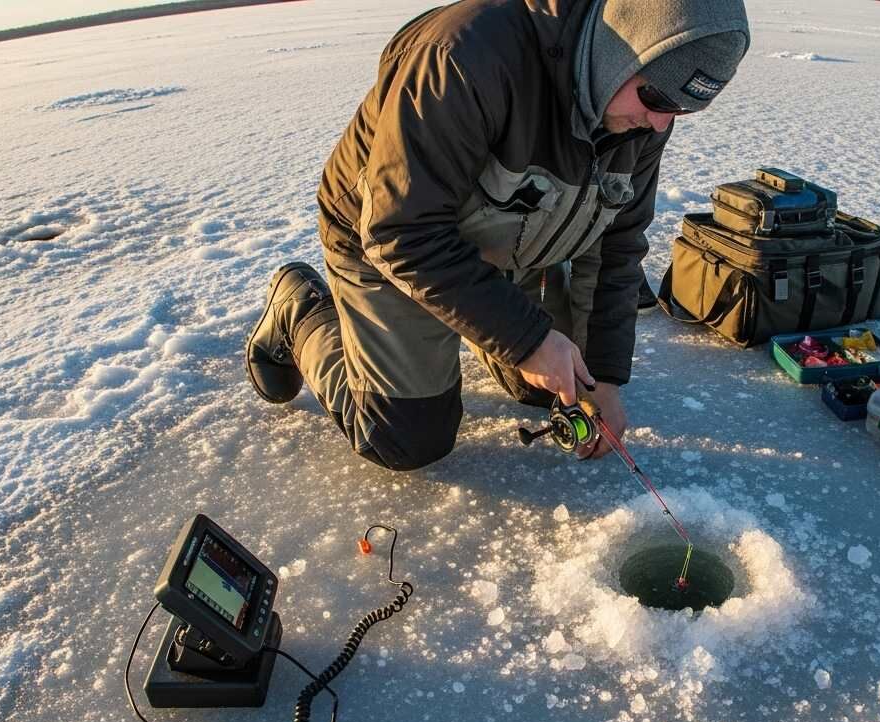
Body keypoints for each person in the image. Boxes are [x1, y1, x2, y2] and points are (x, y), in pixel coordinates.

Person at [245, 0, 749, 471]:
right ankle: (302, 311)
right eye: (656, 96)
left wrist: (606, 377)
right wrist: (525, 338)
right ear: (622, 50)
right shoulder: (462, 57)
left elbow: (618, 244)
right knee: (406, 438)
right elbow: (400, 231)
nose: (661, 123)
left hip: (512, 239)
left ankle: (482, 314)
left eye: (682, 109)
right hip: (385, 242)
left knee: (561, 387)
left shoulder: (644, 119)